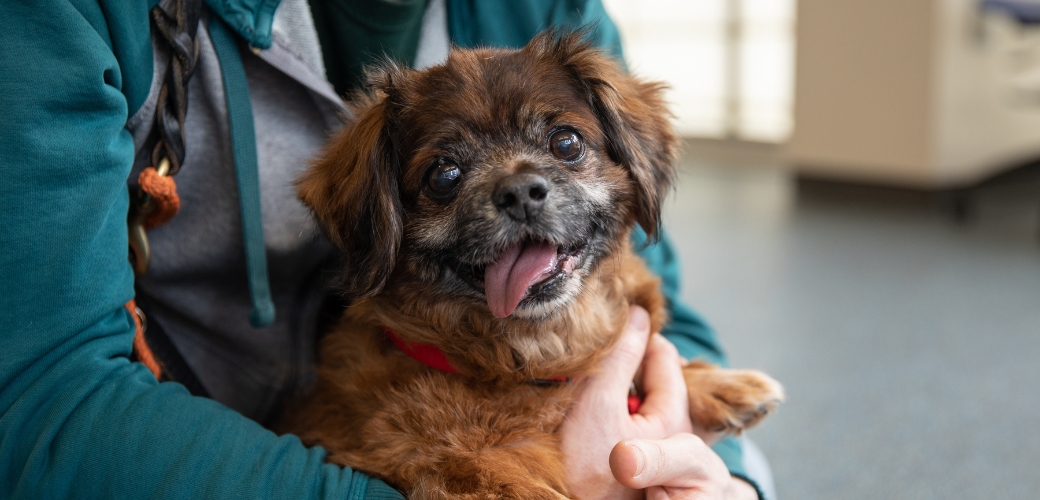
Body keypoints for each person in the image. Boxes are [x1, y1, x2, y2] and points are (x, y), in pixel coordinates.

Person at [0, 0, 765, 498]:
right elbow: (37, 396)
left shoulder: (555, 18)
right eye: (446, 173)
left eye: (564, 146)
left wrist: (707, 476)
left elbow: (657, 298)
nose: (523, 189)